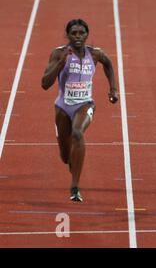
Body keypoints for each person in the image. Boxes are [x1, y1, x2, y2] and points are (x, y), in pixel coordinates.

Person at [41, 19, 118, 202]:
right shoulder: (59, 53)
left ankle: (75, 187)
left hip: (85, 104)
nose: (78, 37)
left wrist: (113, 89)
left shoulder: (95, 54)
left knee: (77, 133)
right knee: (66, 157)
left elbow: (108, 64)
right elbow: (45, 84)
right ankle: (72, 165)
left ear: (86, 35)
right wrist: (60, 64)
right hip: (62, 107)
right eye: (74, 33)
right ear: (67, 35)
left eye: (81, 33)